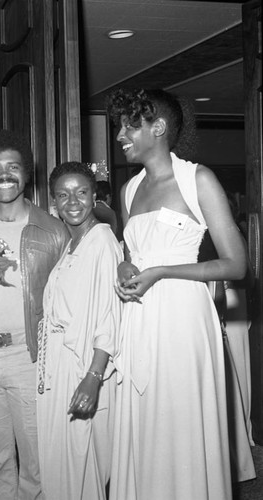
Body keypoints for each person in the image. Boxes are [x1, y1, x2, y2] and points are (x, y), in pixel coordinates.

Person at [106, 88, 247, 500]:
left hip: (184, 318)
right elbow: (132, 250)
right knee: (145, 419)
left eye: (130, 125)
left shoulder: (197, 178)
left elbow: (236, 265)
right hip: (140, 315)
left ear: (159, 127)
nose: (119, 135)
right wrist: (124, 265)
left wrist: (163, 271)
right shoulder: (129, 190)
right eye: (120, 126)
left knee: (180, 420)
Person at [0, 129, 69, 500]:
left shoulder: (53, 231)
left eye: (12, 167)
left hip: (29, 356)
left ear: (27, 173)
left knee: (37, 455)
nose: (4, 175)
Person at [36, 162, 122, 499]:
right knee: (63, 467)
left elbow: (109, 315)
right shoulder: (71, 244)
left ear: (94, 197)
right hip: (59, 366)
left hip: (85, 368)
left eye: (82, 192)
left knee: (83, 467)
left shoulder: (101, 241)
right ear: (53, 202)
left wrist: (93, 376)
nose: (73, 201)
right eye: (63, 194)